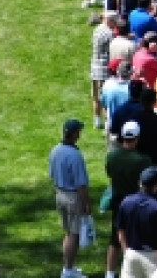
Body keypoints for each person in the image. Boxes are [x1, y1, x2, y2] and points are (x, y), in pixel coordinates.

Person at [107, 122, 153, 278]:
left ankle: (110, 273)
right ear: (137, 138)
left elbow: (109, 173)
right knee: (136, 240)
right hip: (137, 204)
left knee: (115, 239)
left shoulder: (112, 156)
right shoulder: (143, 160)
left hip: (118, 202)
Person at [116, 166, 157, 278]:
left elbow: (121, 231)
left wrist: (126, 252)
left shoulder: (126, 202)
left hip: (132, 254)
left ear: (140, 183)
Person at [49, 118, 92, 278]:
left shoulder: (55, 150)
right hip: (73, 197)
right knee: (74, 234)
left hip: (59, 194)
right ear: (74, 134)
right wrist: (87, 203)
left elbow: (52, 174)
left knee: (68, 233)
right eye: (78, 132)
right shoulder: (75, 155)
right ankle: (68, 271)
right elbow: (81, 184)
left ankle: (68, 267)